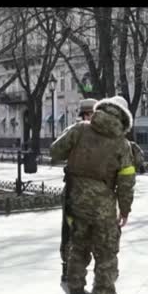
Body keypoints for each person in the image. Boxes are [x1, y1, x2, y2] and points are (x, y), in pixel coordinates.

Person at [50, 96, 136, 294]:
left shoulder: (79, 130)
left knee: (78, 247)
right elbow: (126, 181)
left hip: (76, 202)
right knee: (106, 253)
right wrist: (124, 210)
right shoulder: (122, 144)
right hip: (103, 208)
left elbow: (55, 151)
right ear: (123, 117)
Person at [60, 98, 98, 283]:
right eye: (88, 115)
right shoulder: (73, 133)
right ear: (82, 115)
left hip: (95, 193)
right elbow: (58, 151)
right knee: (70, 230)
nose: (91, 118)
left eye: (94, 115)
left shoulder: (101, 135)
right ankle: (67, 266)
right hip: (74, 191)